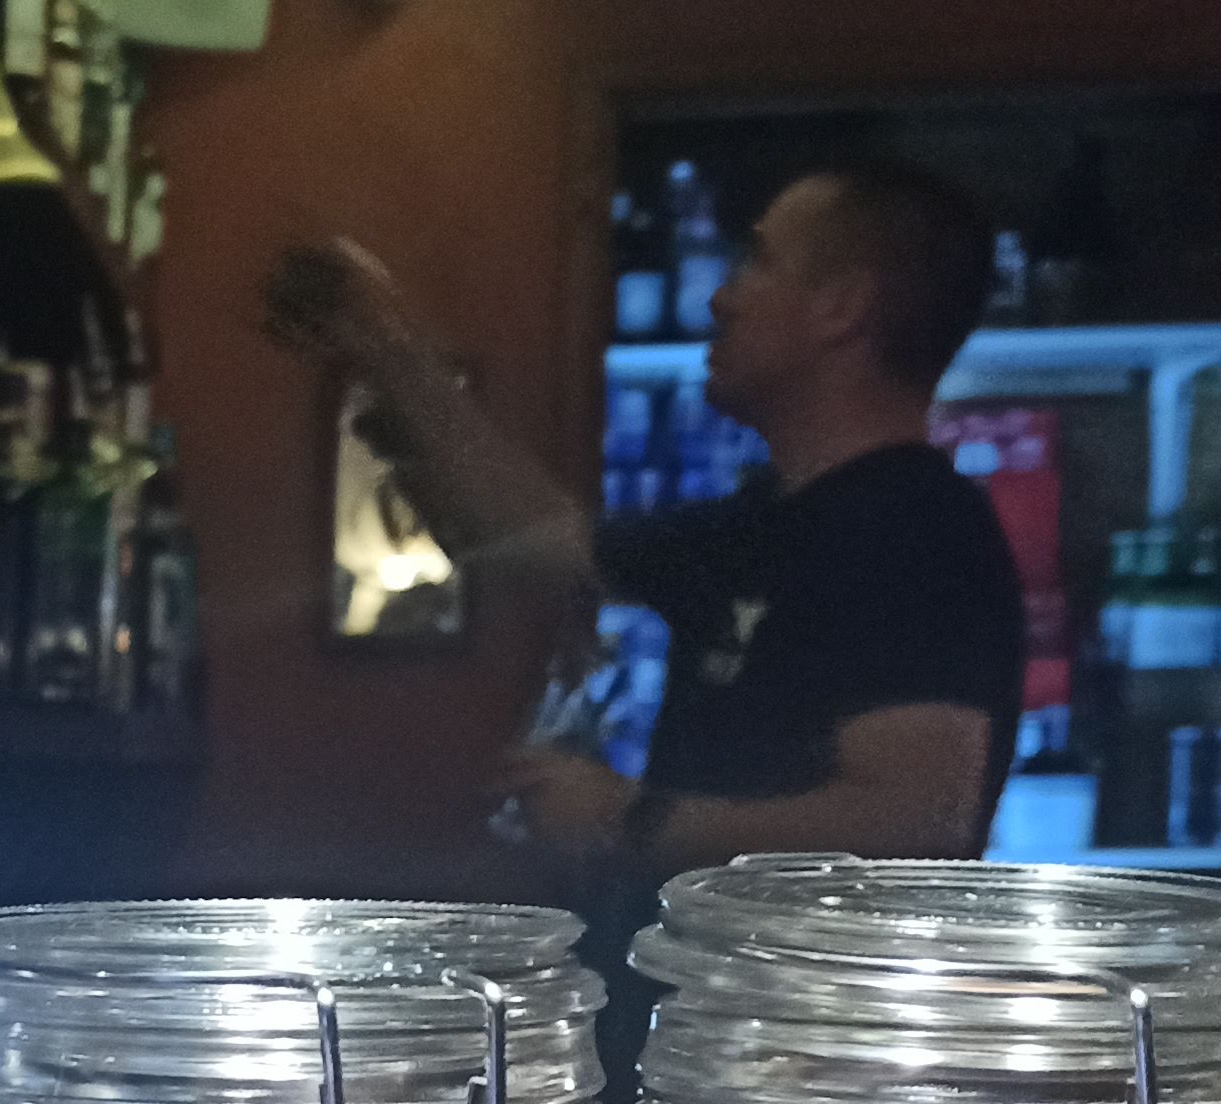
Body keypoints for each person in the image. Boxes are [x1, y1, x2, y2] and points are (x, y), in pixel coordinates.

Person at [268, 159, 1026, 875]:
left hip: (799, 980)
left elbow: (920, 822)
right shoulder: (763, 523)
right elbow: (533, 539)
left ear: (840, 308)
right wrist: (385, 347)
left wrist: (627, 819)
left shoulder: (920, 532)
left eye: (757, 263)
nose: (721, 298)